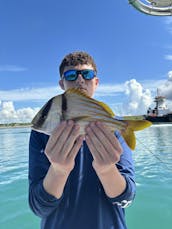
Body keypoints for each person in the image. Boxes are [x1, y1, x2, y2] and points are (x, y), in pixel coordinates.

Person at [29, 51, 136, 229]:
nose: (80, 81)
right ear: (62, 83)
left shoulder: (114, 129)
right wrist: (58, 171)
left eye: (87, 74)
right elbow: (38, 207)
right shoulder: (42, 134)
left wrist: (107, 170)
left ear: (96, 82)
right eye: (71, 75)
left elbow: (127, 199)